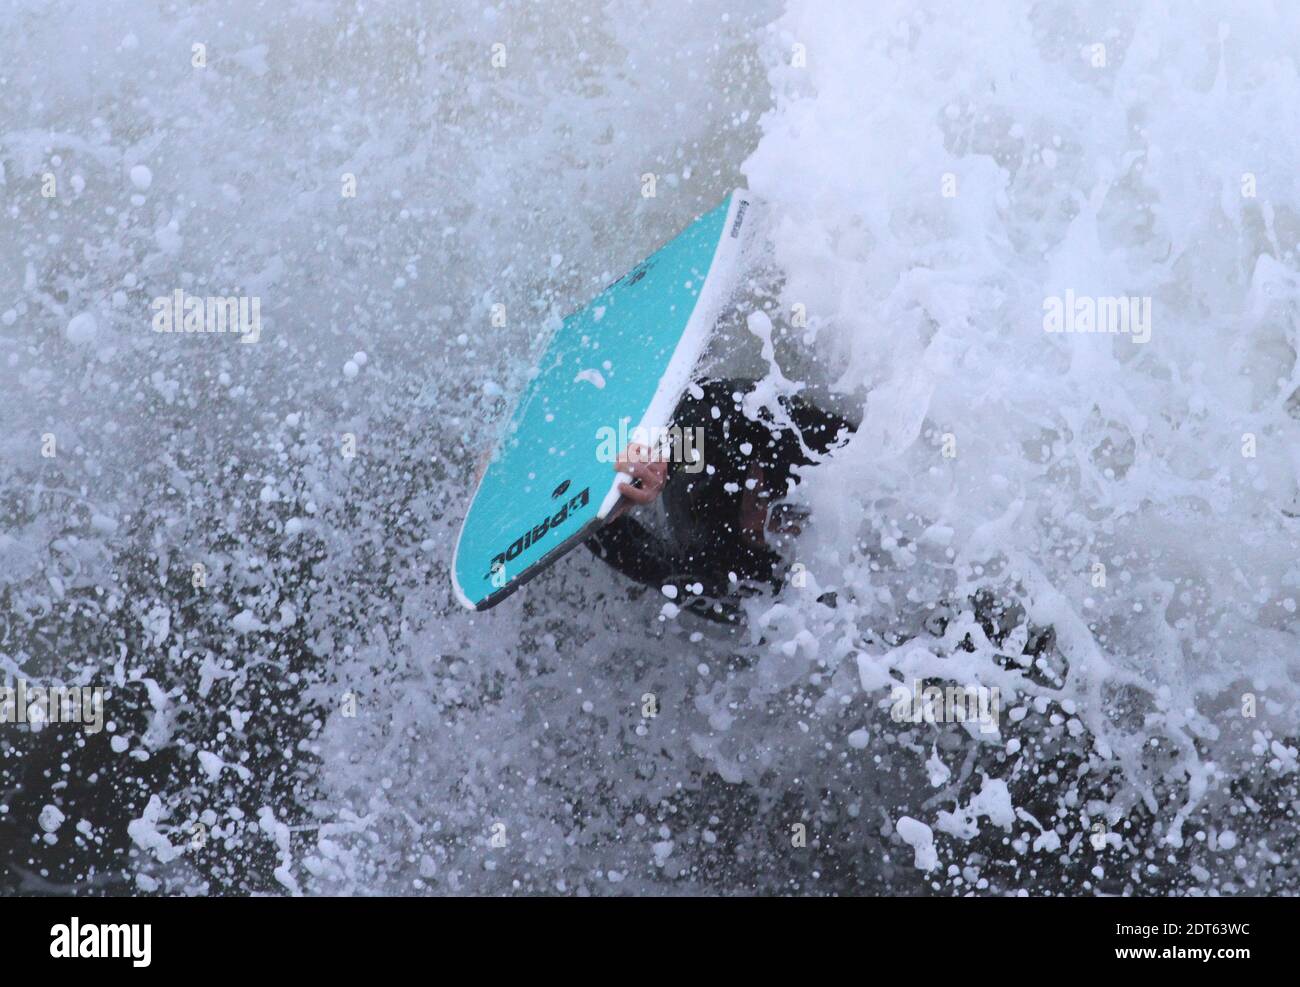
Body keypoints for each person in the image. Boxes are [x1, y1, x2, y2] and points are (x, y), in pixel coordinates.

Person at [586, 378, 854, 622]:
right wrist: (664, 457)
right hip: (698, 451)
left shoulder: (747, 592)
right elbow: (698, 395)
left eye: (784, 518)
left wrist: (607, 509)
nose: (761, 520)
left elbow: (628, 553)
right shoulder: (787, 433)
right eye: (764, 497)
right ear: (758, 466)